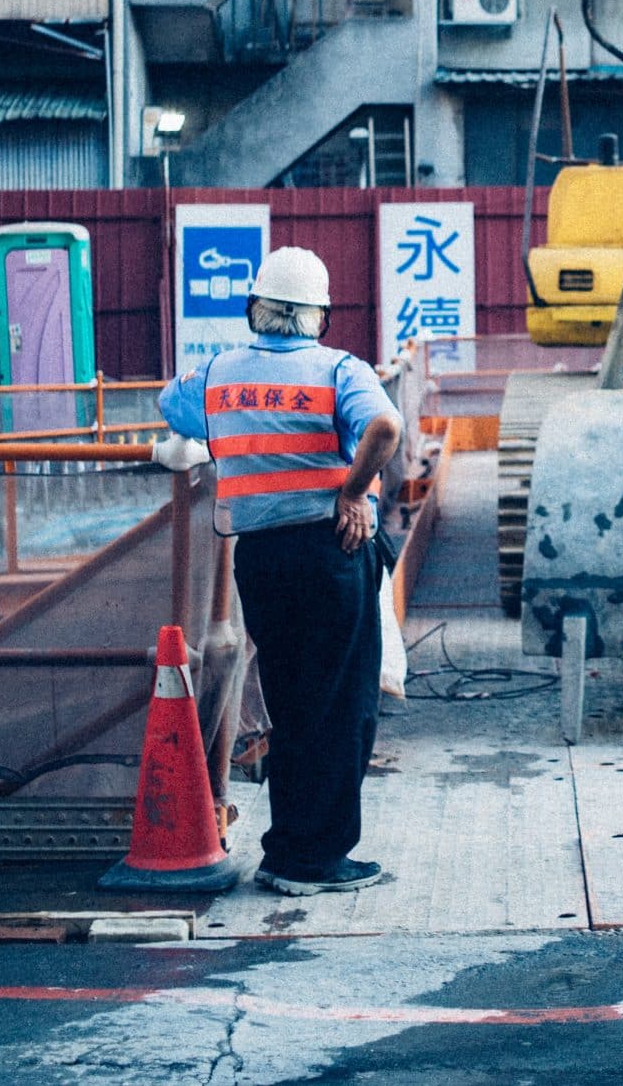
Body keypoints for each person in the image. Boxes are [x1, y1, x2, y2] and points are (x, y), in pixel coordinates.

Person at [155, 245, 403, 897]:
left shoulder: (217, 375)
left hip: (259, 559)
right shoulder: (339, 369)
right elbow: (385, 427)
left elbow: (170, 403)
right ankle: (312, 859)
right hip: (331, 553)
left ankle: (286, 849)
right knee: (342, 706)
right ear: (320, 316)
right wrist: (353, 490)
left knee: (292, 704)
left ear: (254, 308)